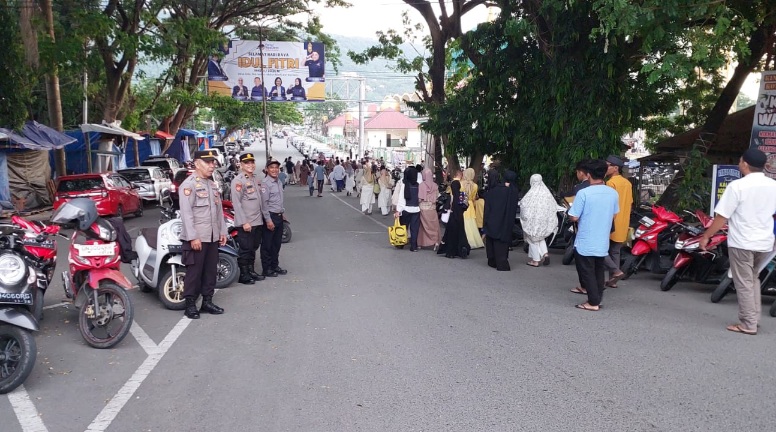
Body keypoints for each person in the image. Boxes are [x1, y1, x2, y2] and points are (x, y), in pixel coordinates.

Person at [699, 148, 776, 335]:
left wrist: (707, 236)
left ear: (745, 164)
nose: (739, 163)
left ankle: (748, 324)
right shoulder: (773, 185)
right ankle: (754, 317)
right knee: (752, 278)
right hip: (765, 243)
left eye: (740, 160)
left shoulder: (737, 186)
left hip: (743, 242)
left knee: (743, 282)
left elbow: (721, 217)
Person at [178, 150, 227, 319]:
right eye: (208, 162)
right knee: (194, 273)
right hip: (197, 238)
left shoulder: (212, 185)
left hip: (212, 236)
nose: (212, 165)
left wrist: (222, 231)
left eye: (213, 162)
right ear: (197, 163)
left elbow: (219, 211)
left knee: (210, 271)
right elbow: (186, 213)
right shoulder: (189, 185)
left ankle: (207, 301)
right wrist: (193, 237)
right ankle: (190, 304)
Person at [568, 159, 619, 312]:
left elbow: (574, 216)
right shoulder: (612, 193)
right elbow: (615, 214)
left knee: (587, 271)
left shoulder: (584, 193)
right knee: (598, 270)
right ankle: (597, 299)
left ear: (588, 175)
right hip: (602, 238)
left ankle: (592, 302)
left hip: (585, 239)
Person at [230, 152, 265, 285]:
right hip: (247, 223)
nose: (250, 165)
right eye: (247, 163)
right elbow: (237, 203)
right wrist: (244, 222)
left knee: (253, 247)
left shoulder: (255, 180)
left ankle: (251, 271)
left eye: (252, 162)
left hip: (257, 221)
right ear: (241, 165)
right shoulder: (238, 181)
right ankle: (244, 274)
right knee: (245, 248)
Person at [603, 155, 633, 287]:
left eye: (607, 165)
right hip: (623, 221)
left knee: (601, 250)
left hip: (612, 221)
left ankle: (615, 271)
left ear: (615, 168)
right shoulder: (627, 183)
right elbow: (630, 203)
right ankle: (612, 281)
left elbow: (607, 204)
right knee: (615, 251)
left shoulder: (611, 183)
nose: (605, 168)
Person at [520, 174, 559, 267]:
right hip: (544, 221)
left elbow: (523, 204)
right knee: (540, 237)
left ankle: (535, 260)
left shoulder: (531, 194)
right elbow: (553, 205)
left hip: (532, 222)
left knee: (532, 239)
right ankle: (545, 254)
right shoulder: (546, 193)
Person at [484, 170, 520, 270]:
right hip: (504, 221)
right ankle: (501, 263)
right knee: (501, 243)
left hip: (492, 219)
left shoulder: (494, 190)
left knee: (491, 239)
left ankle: (492, 260)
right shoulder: (512, 191)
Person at [259, 158, 288, 278]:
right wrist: (268, 220)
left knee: (276, 243)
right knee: (267, 244)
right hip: (270, 216)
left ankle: (274, 265)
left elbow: (278, 201)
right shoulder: (266, 184)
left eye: (276, 167)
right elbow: (264, 204)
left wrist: (282, 212)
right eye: (272, 167)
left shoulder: (278, 181)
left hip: (278, 216)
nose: (274, 170)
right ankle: (266, 269)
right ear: (267, 170)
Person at [437, 180, 470, 258]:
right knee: (461, 234)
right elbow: (465, 206)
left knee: (451, 236)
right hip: (460, 218)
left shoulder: (451, 196)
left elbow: (446, 208)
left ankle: (450, 253)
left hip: (452, 218)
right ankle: (462, 249)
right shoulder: (463, 195)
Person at [395, 166, 421, 251]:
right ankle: (414, 246)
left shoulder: (405, 184)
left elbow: (401, 199)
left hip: (406, 209)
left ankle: (401, 243)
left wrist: (398, 210)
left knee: (403, 227)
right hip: (416, 209)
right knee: (414, 229)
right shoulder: (418, 185)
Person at [460, 168, 484, 249]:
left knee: (462, 224)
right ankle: (472, 242)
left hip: (462, 205)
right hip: (470, 205)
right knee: (471, 225)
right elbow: (474, 198)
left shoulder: (460, 184)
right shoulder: (475, 186)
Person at [417, 168, 441, 249]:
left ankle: (421, 243)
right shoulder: (435, 186)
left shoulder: (421, 185)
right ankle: (435, 242)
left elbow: (419, 198)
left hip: (423, 209)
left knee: (423, 227)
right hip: (432, 209)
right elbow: (437, 196)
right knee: (433, 226)